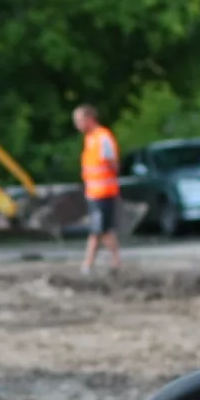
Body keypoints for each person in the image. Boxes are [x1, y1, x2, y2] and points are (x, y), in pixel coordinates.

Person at [74, 105, 121, 274]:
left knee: (98, 230)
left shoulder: (102, 137)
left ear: (89, 119)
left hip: (103, 192)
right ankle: (113, 263)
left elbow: (113, 163)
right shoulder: (90, 138)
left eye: (79, 120)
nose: (77, 125)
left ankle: (90, 264)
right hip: (95, 193)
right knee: (103, 230)